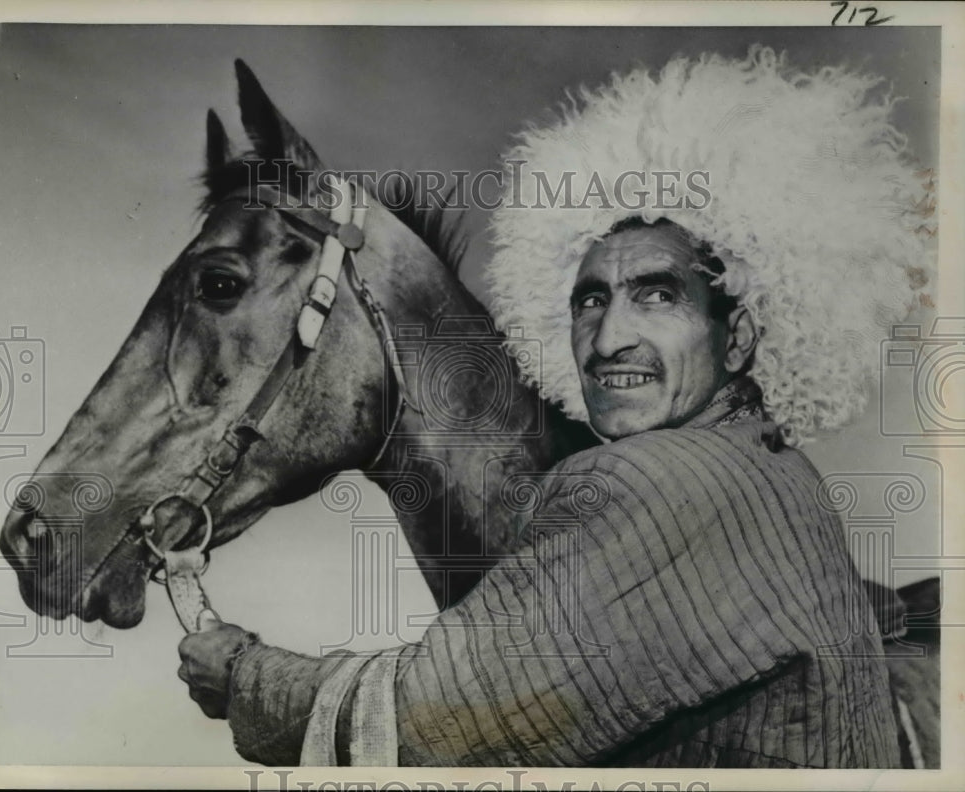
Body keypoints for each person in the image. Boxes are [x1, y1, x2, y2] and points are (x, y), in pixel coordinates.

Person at [176, 47, 934, 767]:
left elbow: (436, 718)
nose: (608, 339)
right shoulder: (775, 470)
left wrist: (242, 675)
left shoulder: (652, 482)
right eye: (590, 301)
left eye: (658, 296)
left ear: (736, 337)